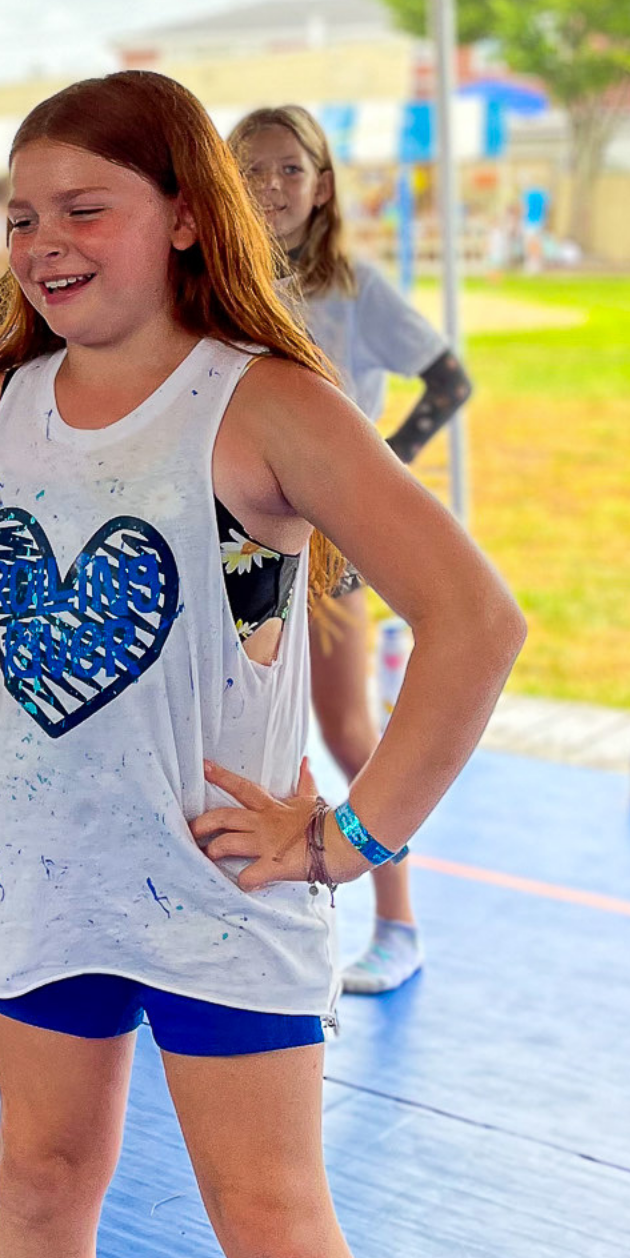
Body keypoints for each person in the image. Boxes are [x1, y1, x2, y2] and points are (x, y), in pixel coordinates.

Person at [0, 71, 524, 1258]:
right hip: (43, 880)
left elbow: (474, 621)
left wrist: (349, 838)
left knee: (273, 1231)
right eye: (20, 217)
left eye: (82, 209)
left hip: (225, 891)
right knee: (39, 1181)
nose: (42, 243)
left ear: (182, 217)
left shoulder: (265, 404)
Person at [231, 105, 475, 995]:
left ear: (324, 184)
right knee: (229, 722)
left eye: (289, 169)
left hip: (331, 549)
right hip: (239, 542)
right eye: (251, 170)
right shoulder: (218, 282)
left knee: (345, 726)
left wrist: (378, 472)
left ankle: (397, 920)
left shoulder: (354, 288)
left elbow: (449, 379)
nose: (271, 187)